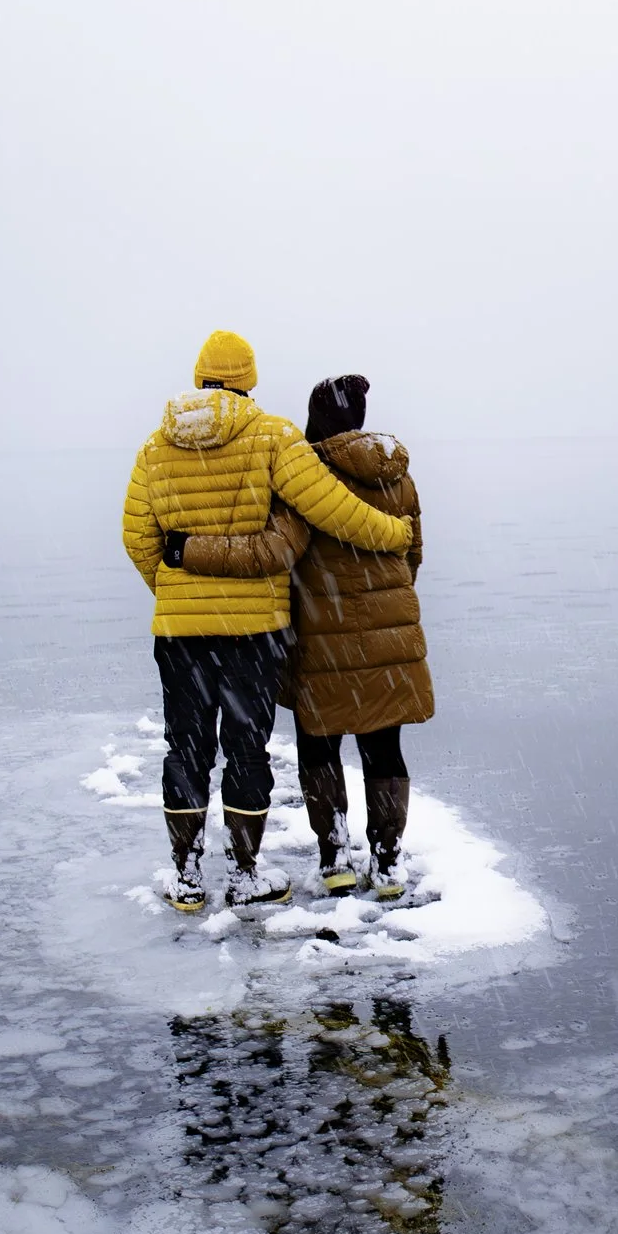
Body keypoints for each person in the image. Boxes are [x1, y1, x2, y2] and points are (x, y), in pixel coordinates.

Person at [122, 333, 413, 912]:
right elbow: (335, 508)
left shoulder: (155, 448)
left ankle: (185, 875)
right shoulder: (273, 436)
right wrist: (395, 535)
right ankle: (246, 870)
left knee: (185, 748)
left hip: (180, 633)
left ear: (200, 377)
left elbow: (137, 538)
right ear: (248, 380)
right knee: (246, 747)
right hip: (253, 629)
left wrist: (176, 591)